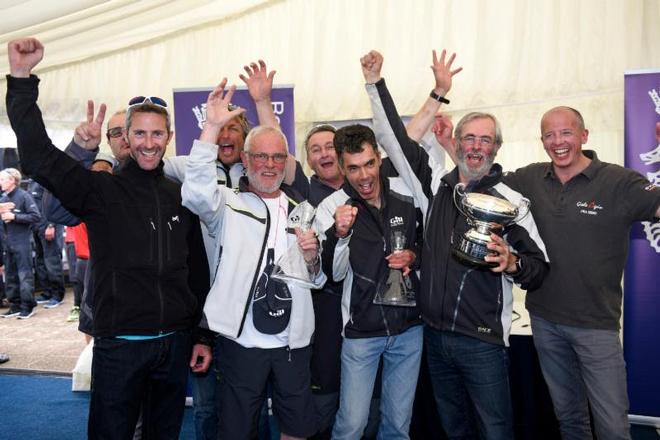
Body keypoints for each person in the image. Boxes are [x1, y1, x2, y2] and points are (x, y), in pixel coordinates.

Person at [6, 37, 211, 439]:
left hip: (174, 344)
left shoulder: (181, 195)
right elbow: (36, 156)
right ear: (126, 139)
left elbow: (196, 271)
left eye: (157, 134)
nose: (148, 143)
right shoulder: (101, 189)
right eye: (140, 134)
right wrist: (21, 78)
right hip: (120, 346)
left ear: (168, 137)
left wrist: (200, 335)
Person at [363, 49, 549, 439]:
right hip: (434, 335)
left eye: (485, 140)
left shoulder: (511, 202)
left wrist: (513, 262)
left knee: (495, 429)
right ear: (458, 143)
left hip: (482, 342)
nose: (476, 146)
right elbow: (393, 139)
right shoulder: (434, 188)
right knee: (453, 429)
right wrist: (375, 83)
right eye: (470, 138)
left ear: (495, 148)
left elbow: (539, 267)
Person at [503, 107, 660, 440]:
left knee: (614, 428)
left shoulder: (619, 181)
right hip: (544, 321)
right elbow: (482, 181)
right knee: (570, 420)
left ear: (584, 136)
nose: (558, 142)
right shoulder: (530, 178)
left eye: (566, 133)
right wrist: (449, 144)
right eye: (549, 135)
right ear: (542, 140)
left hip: (596, 327)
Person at [182, 79, 325, 440]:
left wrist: (312, 260)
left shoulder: (302, 211)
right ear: (245, 160)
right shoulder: (225, 204)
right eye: (260, 156)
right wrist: (211, 128)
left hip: (293, 344)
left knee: (296, 429)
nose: (269, 164)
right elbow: (196, 193)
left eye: (278, 157)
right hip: (241, 344)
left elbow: (316, 280)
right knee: (237, 431)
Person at [314, 123, 424, 440]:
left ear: (378, 157)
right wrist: (340, 234)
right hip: (362, 333)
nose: (363, 176)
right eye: (353, 168)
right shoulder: (332, 207)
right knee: (351, 426)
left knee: (398, 427)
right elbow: (332, 275)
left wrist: (413, 257)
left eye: (368, 164)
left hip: (409, 330)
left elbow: (428, 246)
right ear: (341, 167)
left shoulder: (407, 191)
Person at [0, 168, 41, 319]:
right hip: (8, 242)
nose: (0, 182)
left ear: (12, 180)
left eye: (3, 179)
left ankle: (28, 307)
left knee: (24, 275)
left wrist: (14, 216)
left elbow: (35, 216)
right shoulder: (4, 199)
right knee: (10, 275)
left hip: (22, 241)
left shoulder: (24, 196)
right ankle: (15, 306)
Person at [28, 180, 66, 309]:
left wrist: (51, 225)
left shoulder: (47, 181)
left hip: (48, 226)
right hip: (37, 227)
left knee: (52, 262)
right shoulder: (32, 182)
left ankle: (57, 295)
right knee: (40, 261)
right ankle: (47, 292)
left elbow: (55, 204)